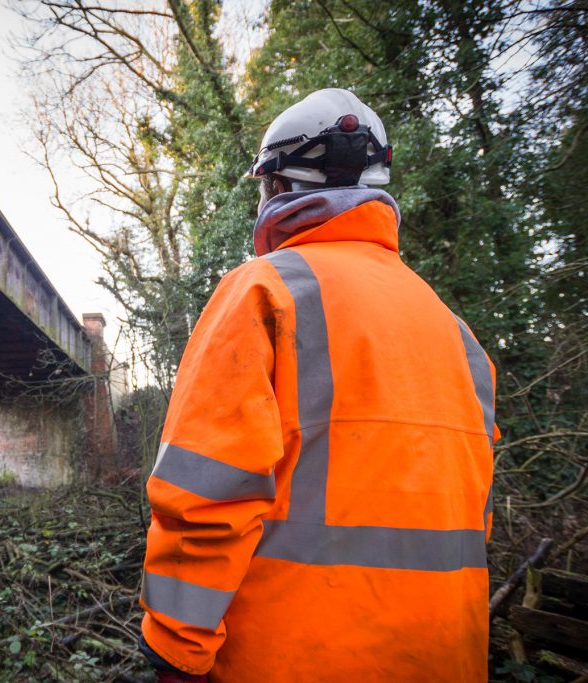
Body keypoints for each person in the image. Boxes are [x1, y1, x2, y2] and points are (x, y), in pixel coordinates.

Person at [138, 89, 497, 682]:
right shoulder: (456, 333)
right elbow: (471, 519)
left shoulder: (263, 293)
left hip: (290, 662)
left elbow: (204, 496)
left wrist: (177, 651)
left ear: (276, 190)